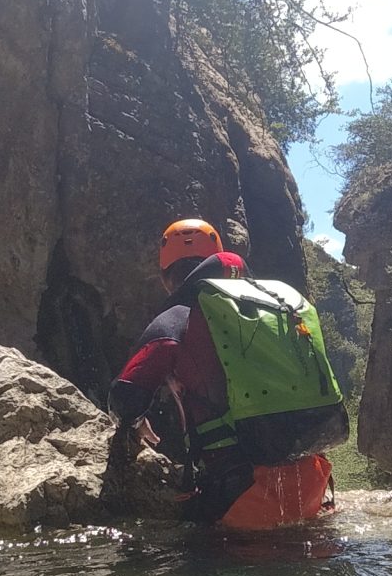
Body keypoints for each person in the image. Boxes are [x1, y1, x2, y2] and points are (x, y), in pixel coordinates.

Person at [109, 219, 348, 528]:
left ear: (167, 277)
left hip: (240, 495)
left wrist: (135, 422)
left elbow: (125, 399)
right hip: (311, 483)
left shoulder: (176, 320)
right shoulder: (272, 305)